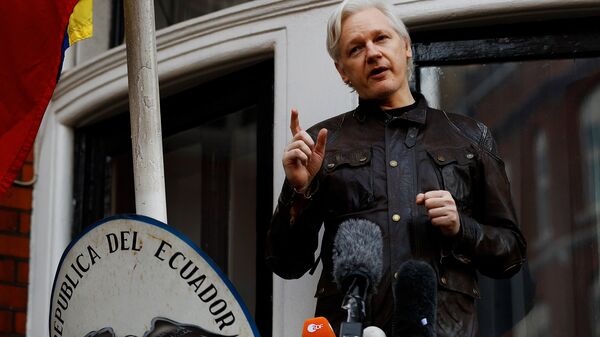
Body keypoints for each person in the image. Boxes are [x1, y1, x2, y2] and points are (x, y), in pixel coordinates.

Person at [266, 0, 527, 336]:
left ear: (405, 47)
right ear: (342, 70)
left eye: (381, 39)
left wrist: (462, 227)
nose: (372, 53)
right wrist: (300, 191)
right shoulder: (321, 144)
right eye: (356, 48)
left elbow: (512, 255)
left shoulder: (469, 137)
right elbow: (286, 264)